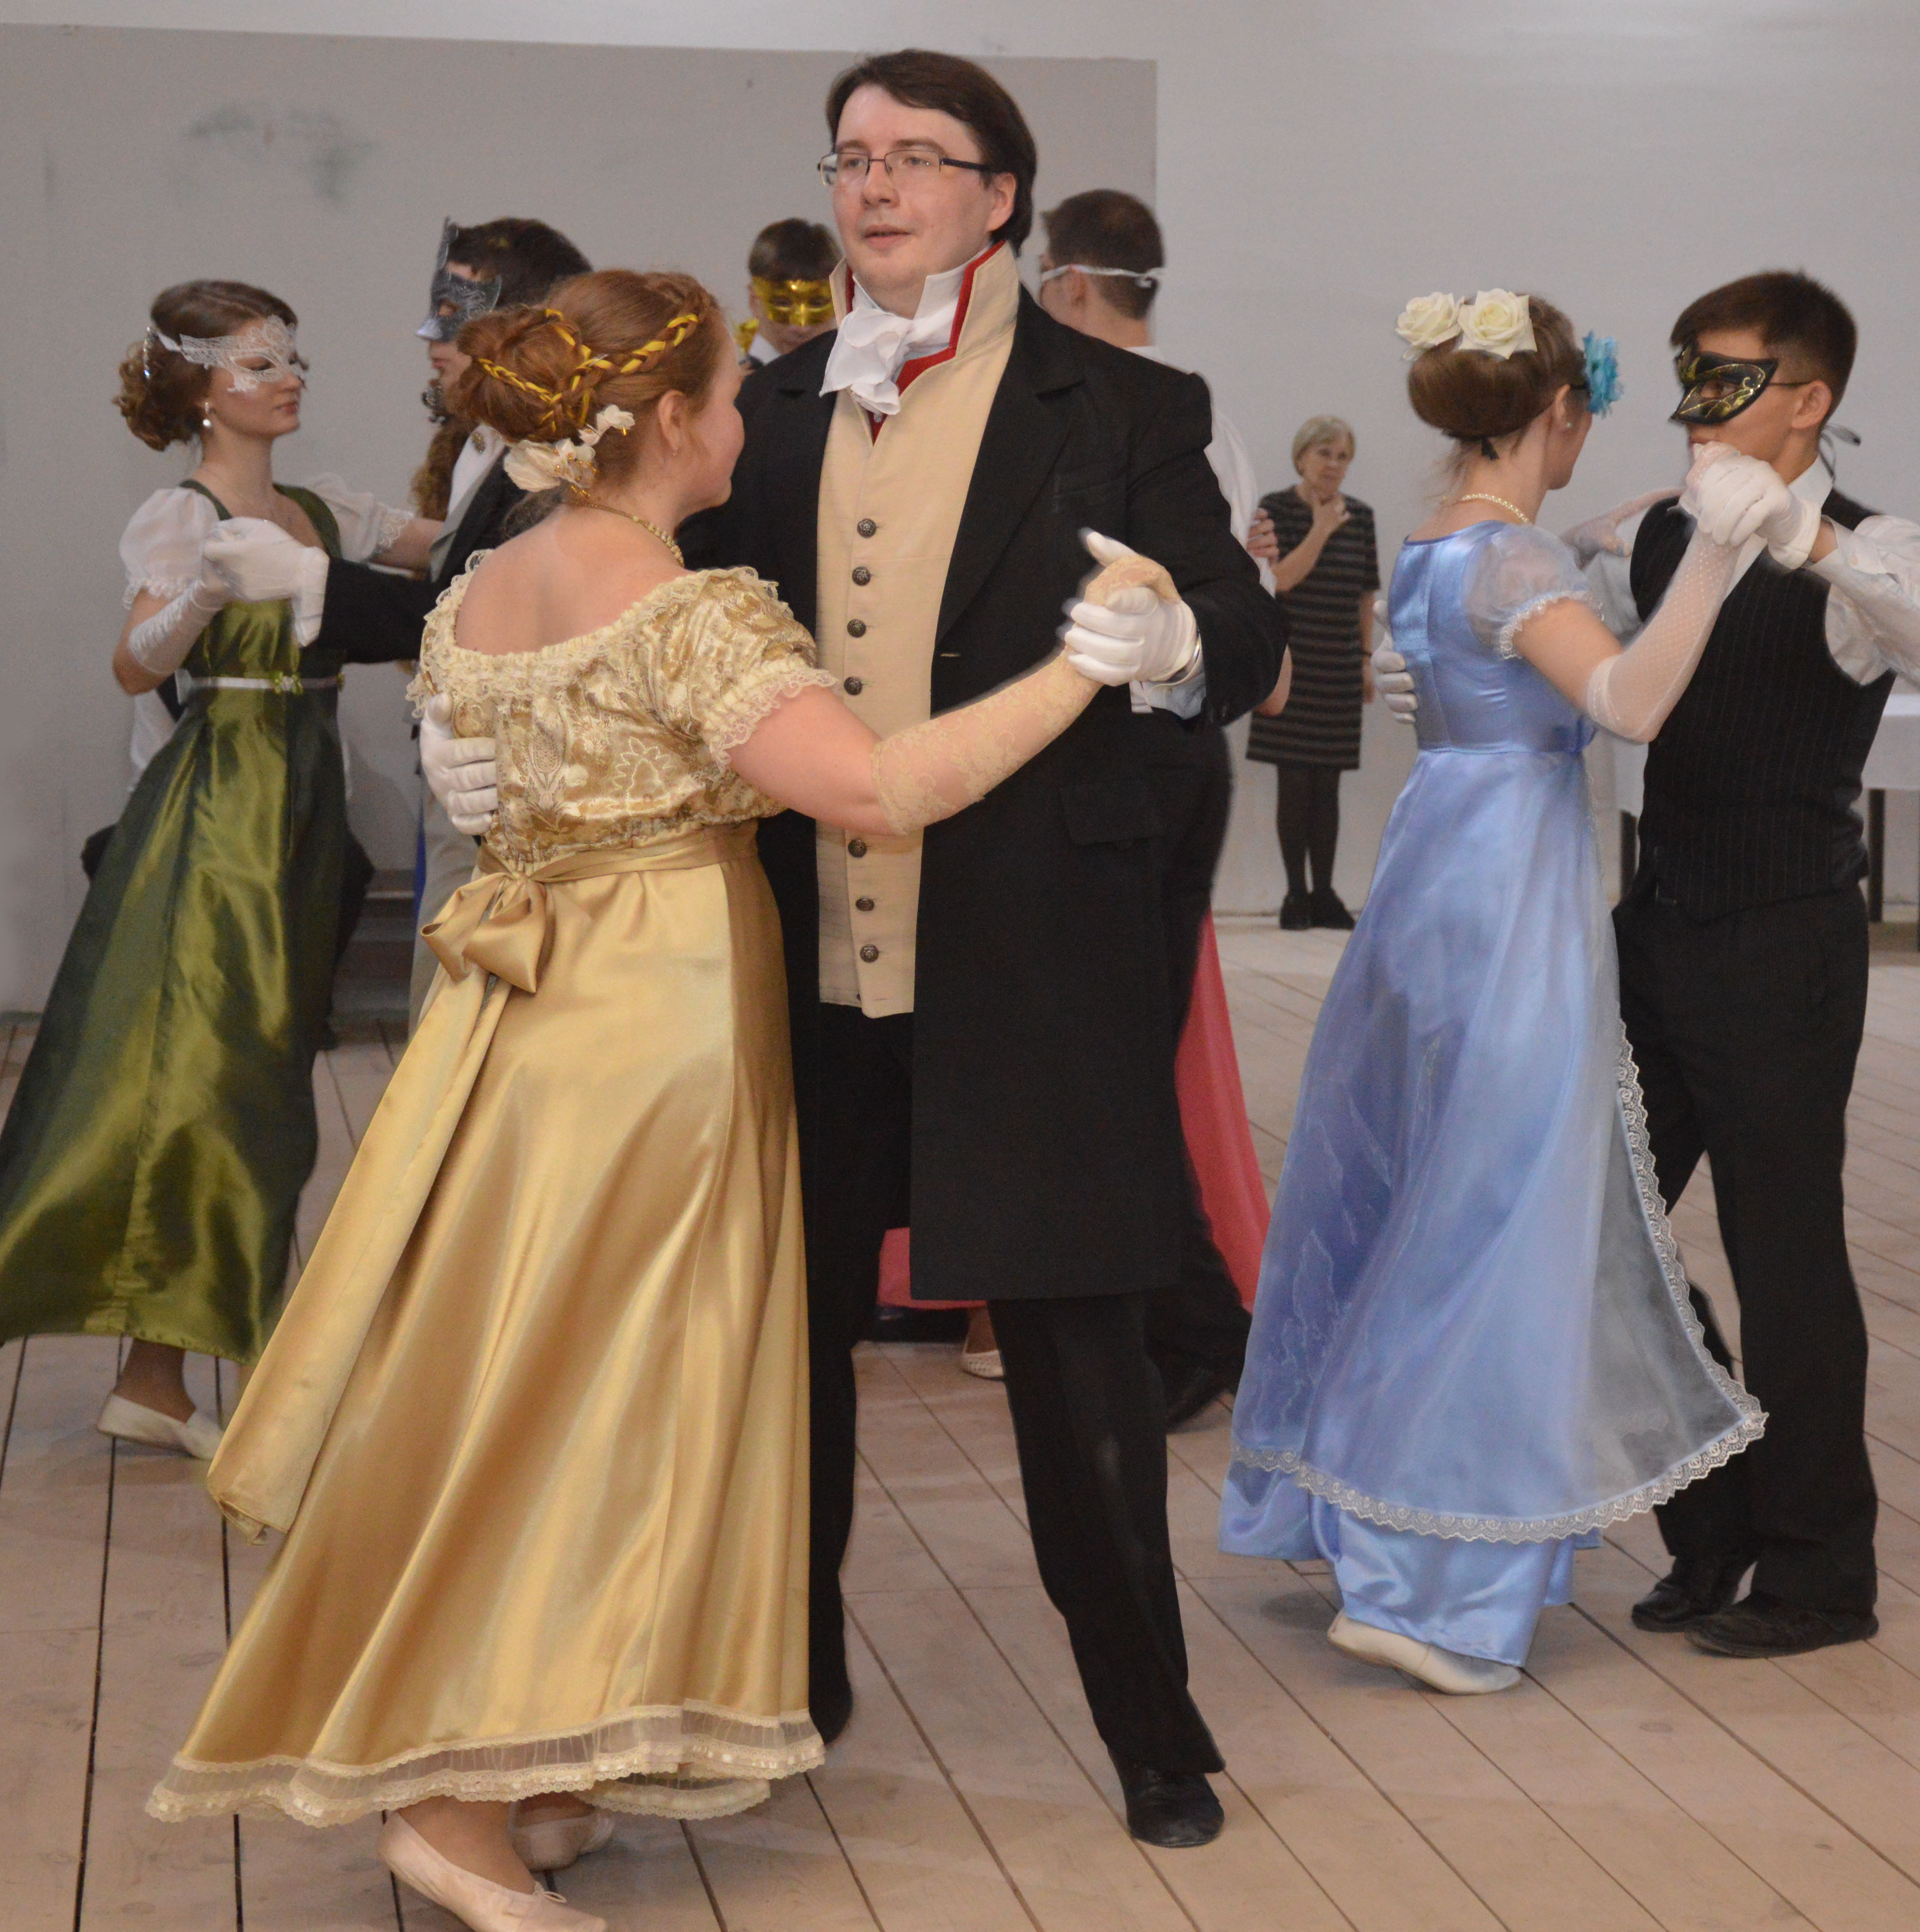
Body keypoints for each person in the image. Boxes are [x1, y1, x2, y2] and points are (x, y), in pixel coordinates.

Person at [149, 268, 1144, 1932]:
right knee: (584, 1404)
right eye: (733, 395)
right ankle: (452, 1806)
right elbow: (877, 789)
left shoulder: (495, 578)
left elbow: (486, 737)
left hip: (526, 1029)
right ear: (672, 421)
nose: (749, 421)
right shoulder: (683, 606)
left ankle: (534, 1764)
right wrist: (1080, 669)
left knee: (520, 1375)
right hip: (648, 1039)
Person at [425, 49, 1280, 1847]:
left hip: (1033, 959)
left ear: (998, 194)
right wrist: (473, 713)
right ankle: (787, 1689)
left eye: (913, 156)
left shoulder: (1129, 402)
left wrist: (1176, 644)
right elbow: (604, 576)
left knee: (1077, 1358)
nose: (873, 184)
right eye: (850, 156)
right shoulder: (763, 403)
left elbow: (1238, 626)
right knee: (776, 1357)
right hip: (783, 965)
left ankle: (1153, 1729)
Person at [1225, 291, 1764, 1693]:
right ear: (1559, 413)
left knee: (1429, 1186)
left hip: (1437, 870)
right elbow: (1628, 704)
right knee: (1507, 1213)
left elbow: (1501, 639)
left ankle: (1374, 1518)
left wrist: (1624, 535)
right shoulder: (1515, 556)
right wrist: (1715, 550)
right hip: (1512, 887)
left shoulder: (1435, 542)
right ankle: (1435, 1582)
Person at [0, 282, 438, 1453]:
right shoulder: (181, 514)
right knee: (214, 1080)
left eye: (290, 357)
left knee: (261, 1084)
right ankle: (204, 1365)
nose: (287, 377)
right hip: (221, 809)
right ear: (203, 391)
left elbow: (458, 546)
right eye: (258, 364)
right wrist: (210, 582)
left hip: (301, 811)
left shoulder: (323, 507)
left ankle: (162, 1376)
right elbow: (132, 664)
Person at [1590, 270, 1920, 1659]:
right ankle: (1712, 1522)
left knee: (1785, 1258)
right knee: (1595, 1232)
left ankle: (1822, 1573)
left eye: (1727, 380)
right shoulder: (1658, 532)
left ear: (1808, 399)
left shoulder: (1870, 546)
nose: (1695, 408)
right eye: (1687, 375)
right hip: (1656, 930)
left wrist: (1804, 535)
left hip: (1783, 945)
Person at [204, 216, 592, 1014]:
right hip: (465, 776)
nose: (431, 339)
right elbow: (460, 575)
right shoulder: (486, 444)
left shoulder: (560, 459)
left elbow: (482, 622)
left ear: (518, 326)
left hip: (518, 791)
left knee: (467, 1017)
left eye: (455, 316)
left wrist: (314, 580)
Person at [1025, 185, 1276, 1420]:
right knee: (1110, 1062)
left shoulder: (1137, 404)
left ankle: (1198, 1329)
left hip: (1138, 747)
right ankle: (1186, 1323)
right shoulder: (1207, 408)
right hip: (1165, 748)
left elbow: (1223, 606)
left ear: (1068, 283)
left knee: (1110, 1065)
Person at [1250, 417, 1382, 928]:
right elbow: (1280, 580)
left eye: (1343, 456)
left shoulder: (1362, 517)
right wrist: (1322, 529)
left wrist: (1366, 658)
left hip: (1338, 664)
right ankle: (1295, 895)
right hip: (1290, 662)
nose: (1334, 465)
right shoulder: (1275, 509)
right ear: (1301, 456)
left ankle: (1325, 892)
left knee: (1328, 784)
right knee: (1294, 780)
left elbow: (1366, 593)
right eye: (1325, 453)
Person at [736, 216, 841, 381]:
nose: (801, 328)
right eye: (782, 303)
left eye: (817, 303)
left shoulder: (859, 387)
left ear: (839, 301)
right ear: (754, 300)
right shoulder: (731, 392)